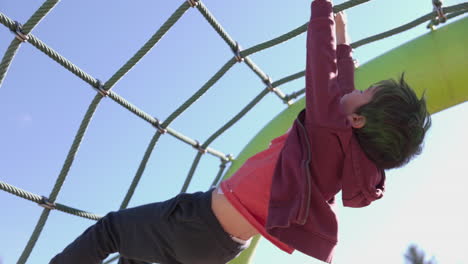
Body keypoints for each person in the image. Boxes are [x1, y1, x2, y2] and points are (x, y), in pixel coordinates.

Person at [50, 0, 431, 263]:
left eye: (364, 93)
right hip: (218, 246)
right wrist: (345, 42)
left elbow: (321, 68)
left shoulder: (328, 130)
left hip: (198, 222)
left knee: (111, 231)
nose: (354, 90)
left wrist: (324, 11)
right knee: (133, 253)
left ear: (357, 121)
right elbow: (342, 90)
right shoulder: (346, 158)